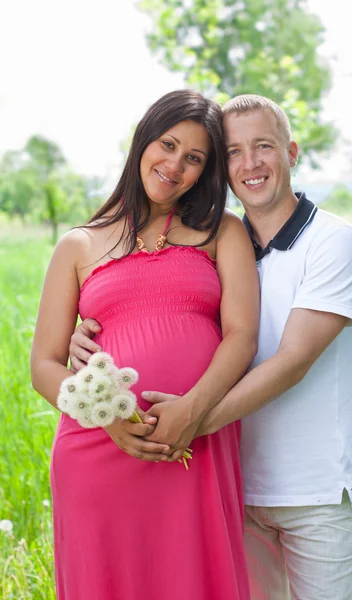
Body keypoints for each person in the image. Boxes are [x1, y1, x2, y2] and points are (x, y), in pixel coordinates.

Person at [71, 94, 352, 600]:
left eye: (264, 147)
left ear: (291, 152)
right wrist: (91, 332)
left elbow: (291, 361)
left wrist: (188, 420)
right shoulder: (215, 244)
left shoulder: (333, 242)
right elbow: (162, 307)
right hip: (227, 482)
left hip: (308, 489)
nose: (249, 164)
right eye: (232, 152)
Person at [30, 89, 260, 600]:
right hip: (98, 449)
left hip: (193, 441)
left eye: (194, 158)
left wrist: (193, 413)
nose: (175, 166)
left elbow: (242, 335)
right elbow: (44, 365)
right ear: (142, 142)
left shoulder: (222, 232)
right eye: (168, 144)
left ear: (206, 172)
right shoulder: (79, 244)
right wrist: (108, 418)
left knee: (194, 578)